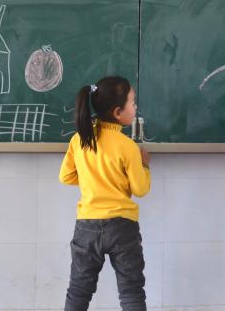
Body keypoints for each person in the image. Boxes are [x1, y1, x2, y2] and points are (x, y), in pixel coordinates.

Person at [59, 76, 151, 311]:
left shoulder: (79, 140)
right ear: (118, 112)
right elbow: (140, 189)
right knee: (131, 291)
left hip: (87, 226)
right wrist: (145, 166)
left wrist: (92, 180)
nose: (135, 108)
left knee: (78, 291)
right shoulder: (127, 146)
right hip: (122, 227)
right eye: (133, 103)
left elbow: (66, 177)